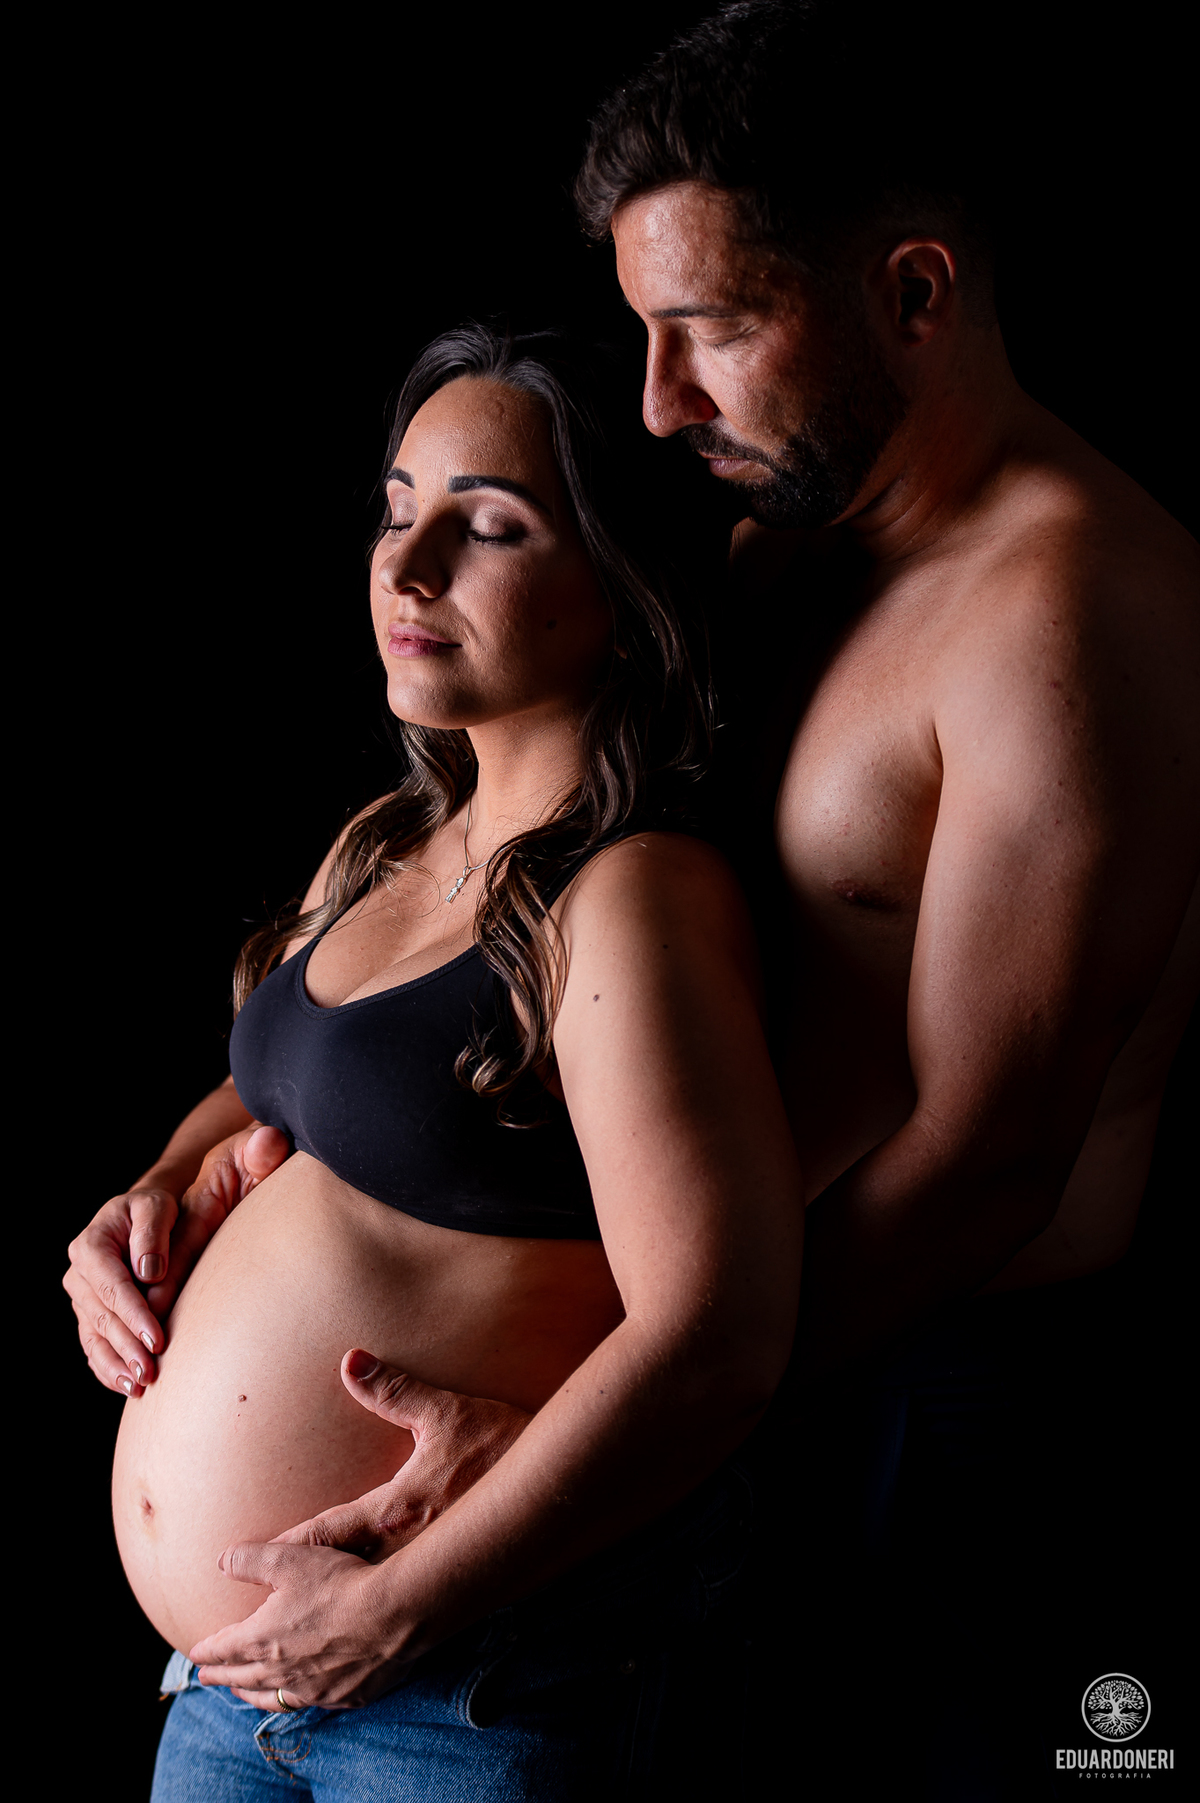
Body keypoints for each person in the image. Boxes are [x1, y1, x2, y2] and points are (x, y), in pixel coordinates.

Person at [574, 2, 1199, 1793]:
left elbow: (991, 1159)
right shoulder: (783, 535)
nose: (657, 402)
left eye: (714, 331)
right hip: (741, 1376)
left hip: (946, 1410)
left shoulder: (1074, 611)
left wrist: (619, 1417)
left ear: (914, 294)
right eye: (643, 332)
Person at [64, 324, 802, 1799]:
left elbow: (716, 1332)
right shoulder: (394, 850)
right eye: (401, 511)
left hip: (457, 1685)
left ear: (622, 584)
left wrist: (402, 1604)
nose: (407, 570)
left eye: (492, 527)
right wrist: (151, 1185)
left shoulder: (629, 899)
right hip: (236, 1689)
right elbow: (299, 1098)